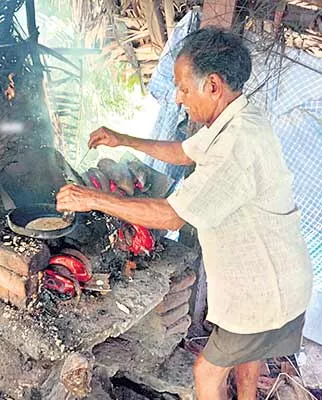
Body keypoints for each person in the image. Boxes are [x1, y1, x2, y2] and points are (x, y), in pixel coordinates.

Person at [56, 27, 313, 400]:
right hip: (280, 279)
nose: (177, 98)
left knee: (206, 373)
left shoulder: (236, 145)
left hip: (263, 290)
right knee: (248, 359)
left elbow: (173, 216)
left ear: (212, 85)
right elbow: (185, 152)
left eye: (182, 88)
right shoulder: (238, 117)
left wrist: (92, 198)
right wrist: (123, 138)